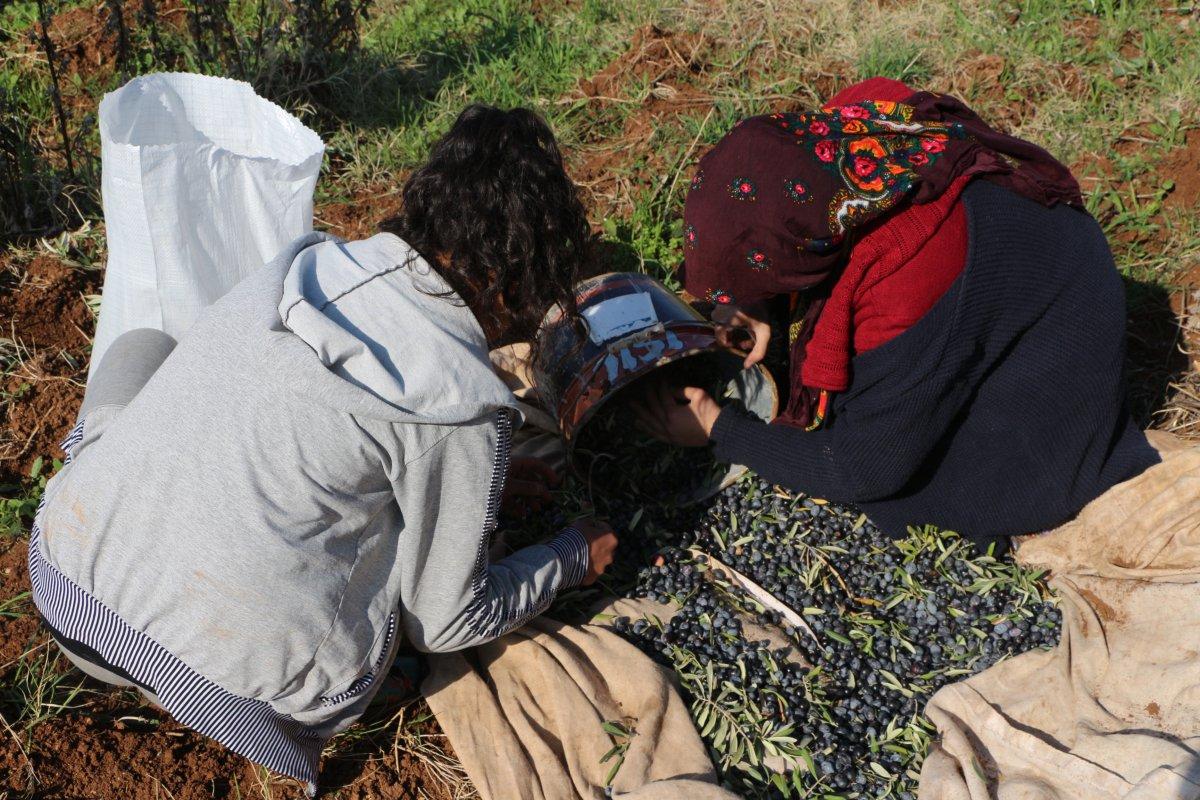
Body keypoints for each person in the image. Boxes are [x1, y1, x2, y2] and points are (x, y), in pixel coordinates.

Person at [27, 104, 618, 793]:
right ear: (512, 278)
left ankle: (106, 488)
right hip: (234, 696)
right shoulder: (466, 404)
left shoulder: (307, 262)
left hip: (66, 582)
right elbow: (448, 622)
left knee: (143, 348)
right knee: (390, 571)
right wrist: (569, 557)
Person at [635, 78, 1160, 549]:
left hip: (1049, 396)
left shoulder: (911, 279)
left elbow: (864, 468)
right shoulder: (851, 131)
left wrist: (719, 427)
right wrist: (749, 301)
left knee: (902, 497)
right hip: (1009, 293)